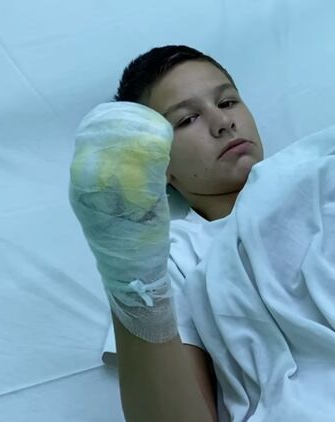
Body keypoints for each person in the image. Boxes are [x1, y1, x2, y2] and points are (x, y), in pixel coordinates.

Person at [110, 45, 262, 421]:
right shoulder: (171, 259)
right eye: (188, 119)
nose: (223, 122)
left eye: (227, 102)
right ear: (158, 166)